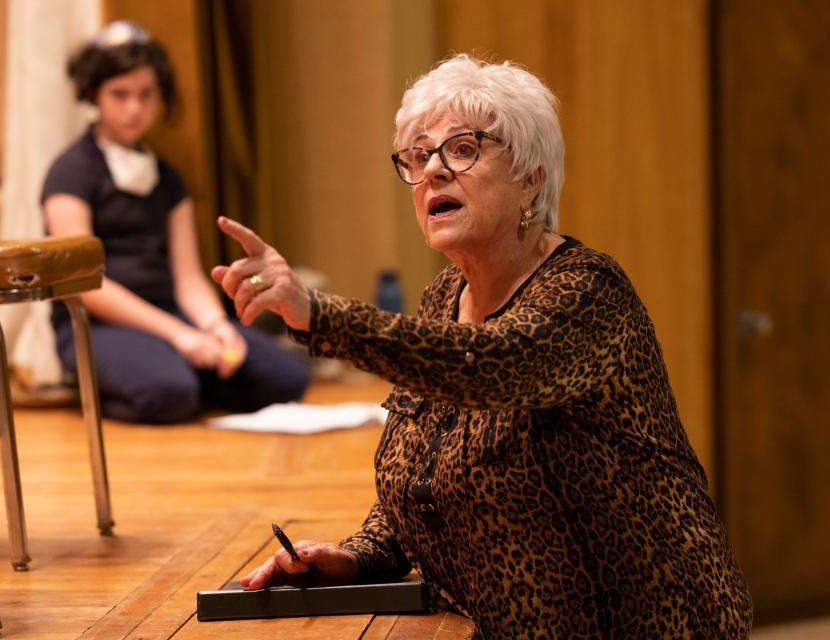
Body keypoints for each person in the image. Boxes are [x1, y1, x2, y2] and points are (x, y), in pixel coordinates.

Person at [211, 55, 752, 638]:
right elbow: (422, 480)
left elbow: (489, 366)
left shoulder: (589, 293)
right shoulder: (443, 299)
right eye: (417, 158)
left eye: (463, 149)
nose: (433, 173)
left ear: (531, 179)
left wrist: (316, 314)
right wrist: (356, 557)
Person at [42, 21, 309, 424]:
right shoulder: (70, 173)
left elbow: (187, 278)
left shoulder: (168, 180)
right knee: (170, 392)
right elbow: (84, 283)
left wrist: (214, 325)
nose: (134, 108)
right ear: (94, 95)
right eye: (120, 95)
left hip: (166, 313)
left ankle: (180, 368)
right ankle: (117, 380)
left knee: (285, 378)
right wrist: (179, 336)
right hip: (94, 324)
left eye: (146, 95)